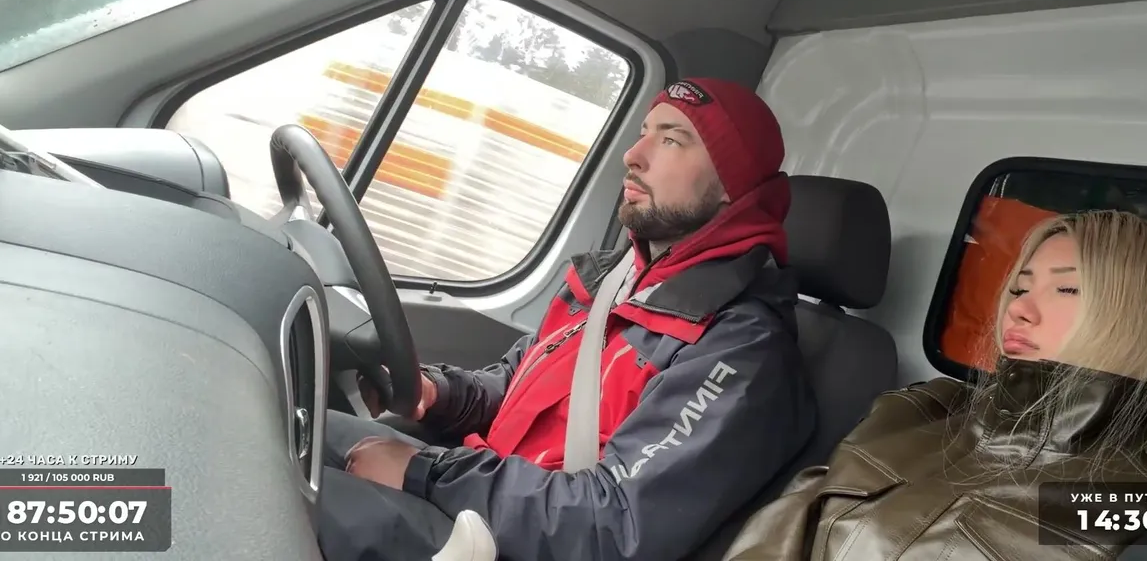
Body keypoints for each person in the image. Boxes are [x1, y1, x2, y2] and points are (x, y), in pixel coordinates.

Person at [317, 77, 816, 561]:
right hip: (488, 500)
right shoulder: (615, 280)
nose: (633, 154)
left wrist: (424, 473)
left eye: (671, 140)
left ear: (730, 183)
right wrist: (438, 393)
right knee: (299, 427)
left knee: (294, 501)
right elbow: (514, 385)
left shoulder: (741, 349)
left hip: (524, 539)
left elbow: (613, 523)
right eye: (644, 131)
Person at [721, 210, 1147, 561]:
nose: (1020, 307)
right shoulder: (921, 410)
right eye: (1021, 285)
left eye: (1067, 288)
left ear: (1143, 318)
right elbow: (784, 531)